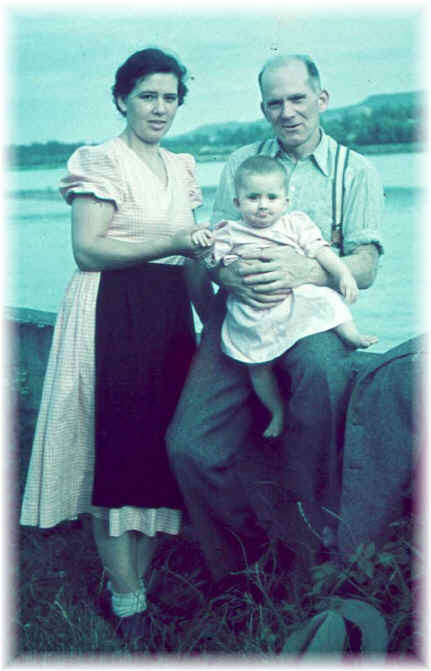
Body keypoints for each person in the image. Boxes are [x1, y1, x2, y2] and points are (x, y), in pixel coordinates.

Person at [166, 54, 384, 582]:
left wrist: (306, 268)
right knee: (189, 445)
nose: (287, 112)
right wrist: (226, 277)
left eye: (297, 99)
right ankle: (244, 564)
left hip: (308, 317)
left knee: (323, 382)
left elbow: (367, 265)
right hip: (239, 316)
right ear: (263, 107)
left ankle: (310, 561)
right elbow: (211, 249)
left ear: (321, 99)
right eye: (274, 102)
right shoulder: (242, 161)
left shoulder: (355, 171)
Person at [20, 47, 212, 643]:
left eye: (170, 97)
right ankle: (128, 605)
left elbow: (189, 257)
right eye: (147, 95)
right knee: (117, 451)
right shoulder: (99, 160)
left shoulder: (181, 166)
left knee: (160, 453)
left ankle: (133, 588)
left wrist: (215, 323)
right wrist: (174, 238)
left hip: (168, 316)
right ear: (122, 97)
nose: (159, 107)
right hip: (112, 310)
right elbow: (88, 249)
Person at [194, 155, 377, 439]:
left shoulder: (295, 224)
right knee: (257, 366)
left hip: (294, 297)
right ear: (237, 203)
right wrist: (207, 249)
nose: (263, 205)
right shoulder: (230, 231)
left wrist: (343, 274)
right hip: (253, 308)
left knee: (326, 302)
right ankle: (276, 411)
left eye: (271, 197)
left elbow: (321, 251)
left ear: (285, 202)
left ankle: (352, 335)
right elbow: (209, 261)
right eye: (253, 198)